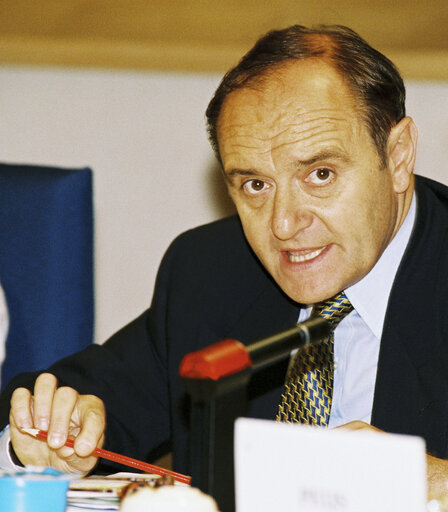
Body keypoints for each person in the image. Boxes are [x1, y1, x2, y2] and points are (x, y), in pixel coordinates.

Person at [1, 24, 448, 494]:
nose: (283, 224)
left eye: (320, 174)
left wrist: (437, 479)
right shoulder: (209, 270)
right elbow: (67, 406)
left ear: (398, 157)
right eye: (255, 185)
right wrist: (36, 441)